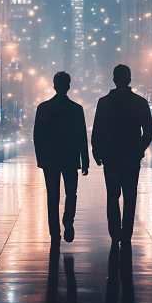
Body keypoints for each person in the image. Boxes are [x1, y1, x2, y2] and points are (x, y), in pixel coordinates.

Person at [91, 64, 152, 247]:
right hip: (131, 157)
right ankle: (126, 233)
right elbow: (148, 132)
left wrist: (98, 150)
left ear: (114, 79)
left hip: (111, 156)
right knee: (130, 195)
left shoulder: (104, 102)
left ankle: (115, 233)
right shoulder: (140, 103)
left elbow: (97, 130)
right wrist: (138, 149)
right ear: (129, 79)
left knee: (112, 195)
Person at [34, 72, 89, 246]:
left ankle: (54, 233)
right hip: (70, 157)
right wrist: (85, 160)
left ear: (54, 85)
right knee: (71, 193)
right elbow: (82, 136)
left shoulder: (43, 108)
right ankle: (68, 221)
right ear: (68, 86)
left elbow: (38, 136)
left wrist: (41, 158)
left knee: (52, 195)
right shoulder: (76, 109)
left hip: (50, 159)